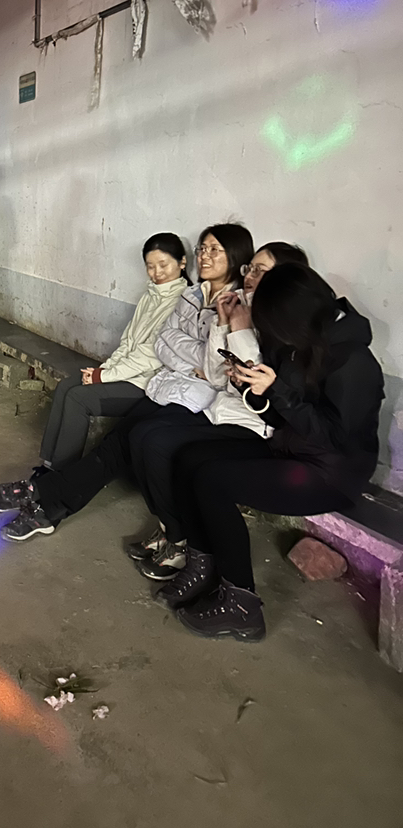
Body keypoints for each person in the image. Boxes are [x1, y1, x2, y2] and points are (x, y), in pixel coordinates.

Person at [0, 222, 253, 541]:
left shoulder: (238, 305)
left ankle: (41, 496)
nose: (205, 256)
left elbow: (214, 369)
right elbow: (163, 343)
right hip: (166, 387)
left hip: (194, 399)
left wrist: (186, 354)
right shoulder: (193, 296)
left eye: (214, 250)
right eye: (203, 248)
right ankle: (46, 502)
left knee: (116, 444)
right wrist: (190, 358)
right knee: (111, 444)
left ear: (236, 256)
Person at [163, 263, 384, 642]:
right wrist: (253, 389)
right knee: (189, 457)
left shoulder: (355, 362)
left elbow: (333, 438)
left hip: (329, 475)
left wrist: (278, 390)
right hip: (291, 448)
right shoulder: (301, 344)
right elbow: (281, 415)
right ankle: (203, 565)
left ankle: (241, 606)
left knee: (213, 481)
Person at [127, 242, 309, 582]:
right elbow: (214, 372)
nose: (250, 276)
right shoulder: (240, 307)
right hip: (221, 410)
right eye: (250, 269)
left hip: (255, 424)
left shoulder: (282, 324)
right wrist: (223, 324)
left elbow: (253, 379)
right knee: (140, 433)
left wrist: (238, 329)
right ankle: (171, 529)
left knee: (159, 444)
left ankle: (180, 541)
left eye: (260, 271)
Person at [32, 233, 189, 474]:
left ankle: (62, 476)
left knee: (78, 398)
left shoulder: (182, 303)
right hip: (126, 373)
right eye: (150, 266)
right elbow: (127, 342)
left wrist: (103, 377)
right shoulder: (150, 295)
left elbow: (151, 356)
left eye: (163, 265)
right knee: (66, 386)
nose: (157, 272)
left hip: (148, 383)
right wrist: (105, 369)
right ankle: (48, 465)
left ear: (182, 262)